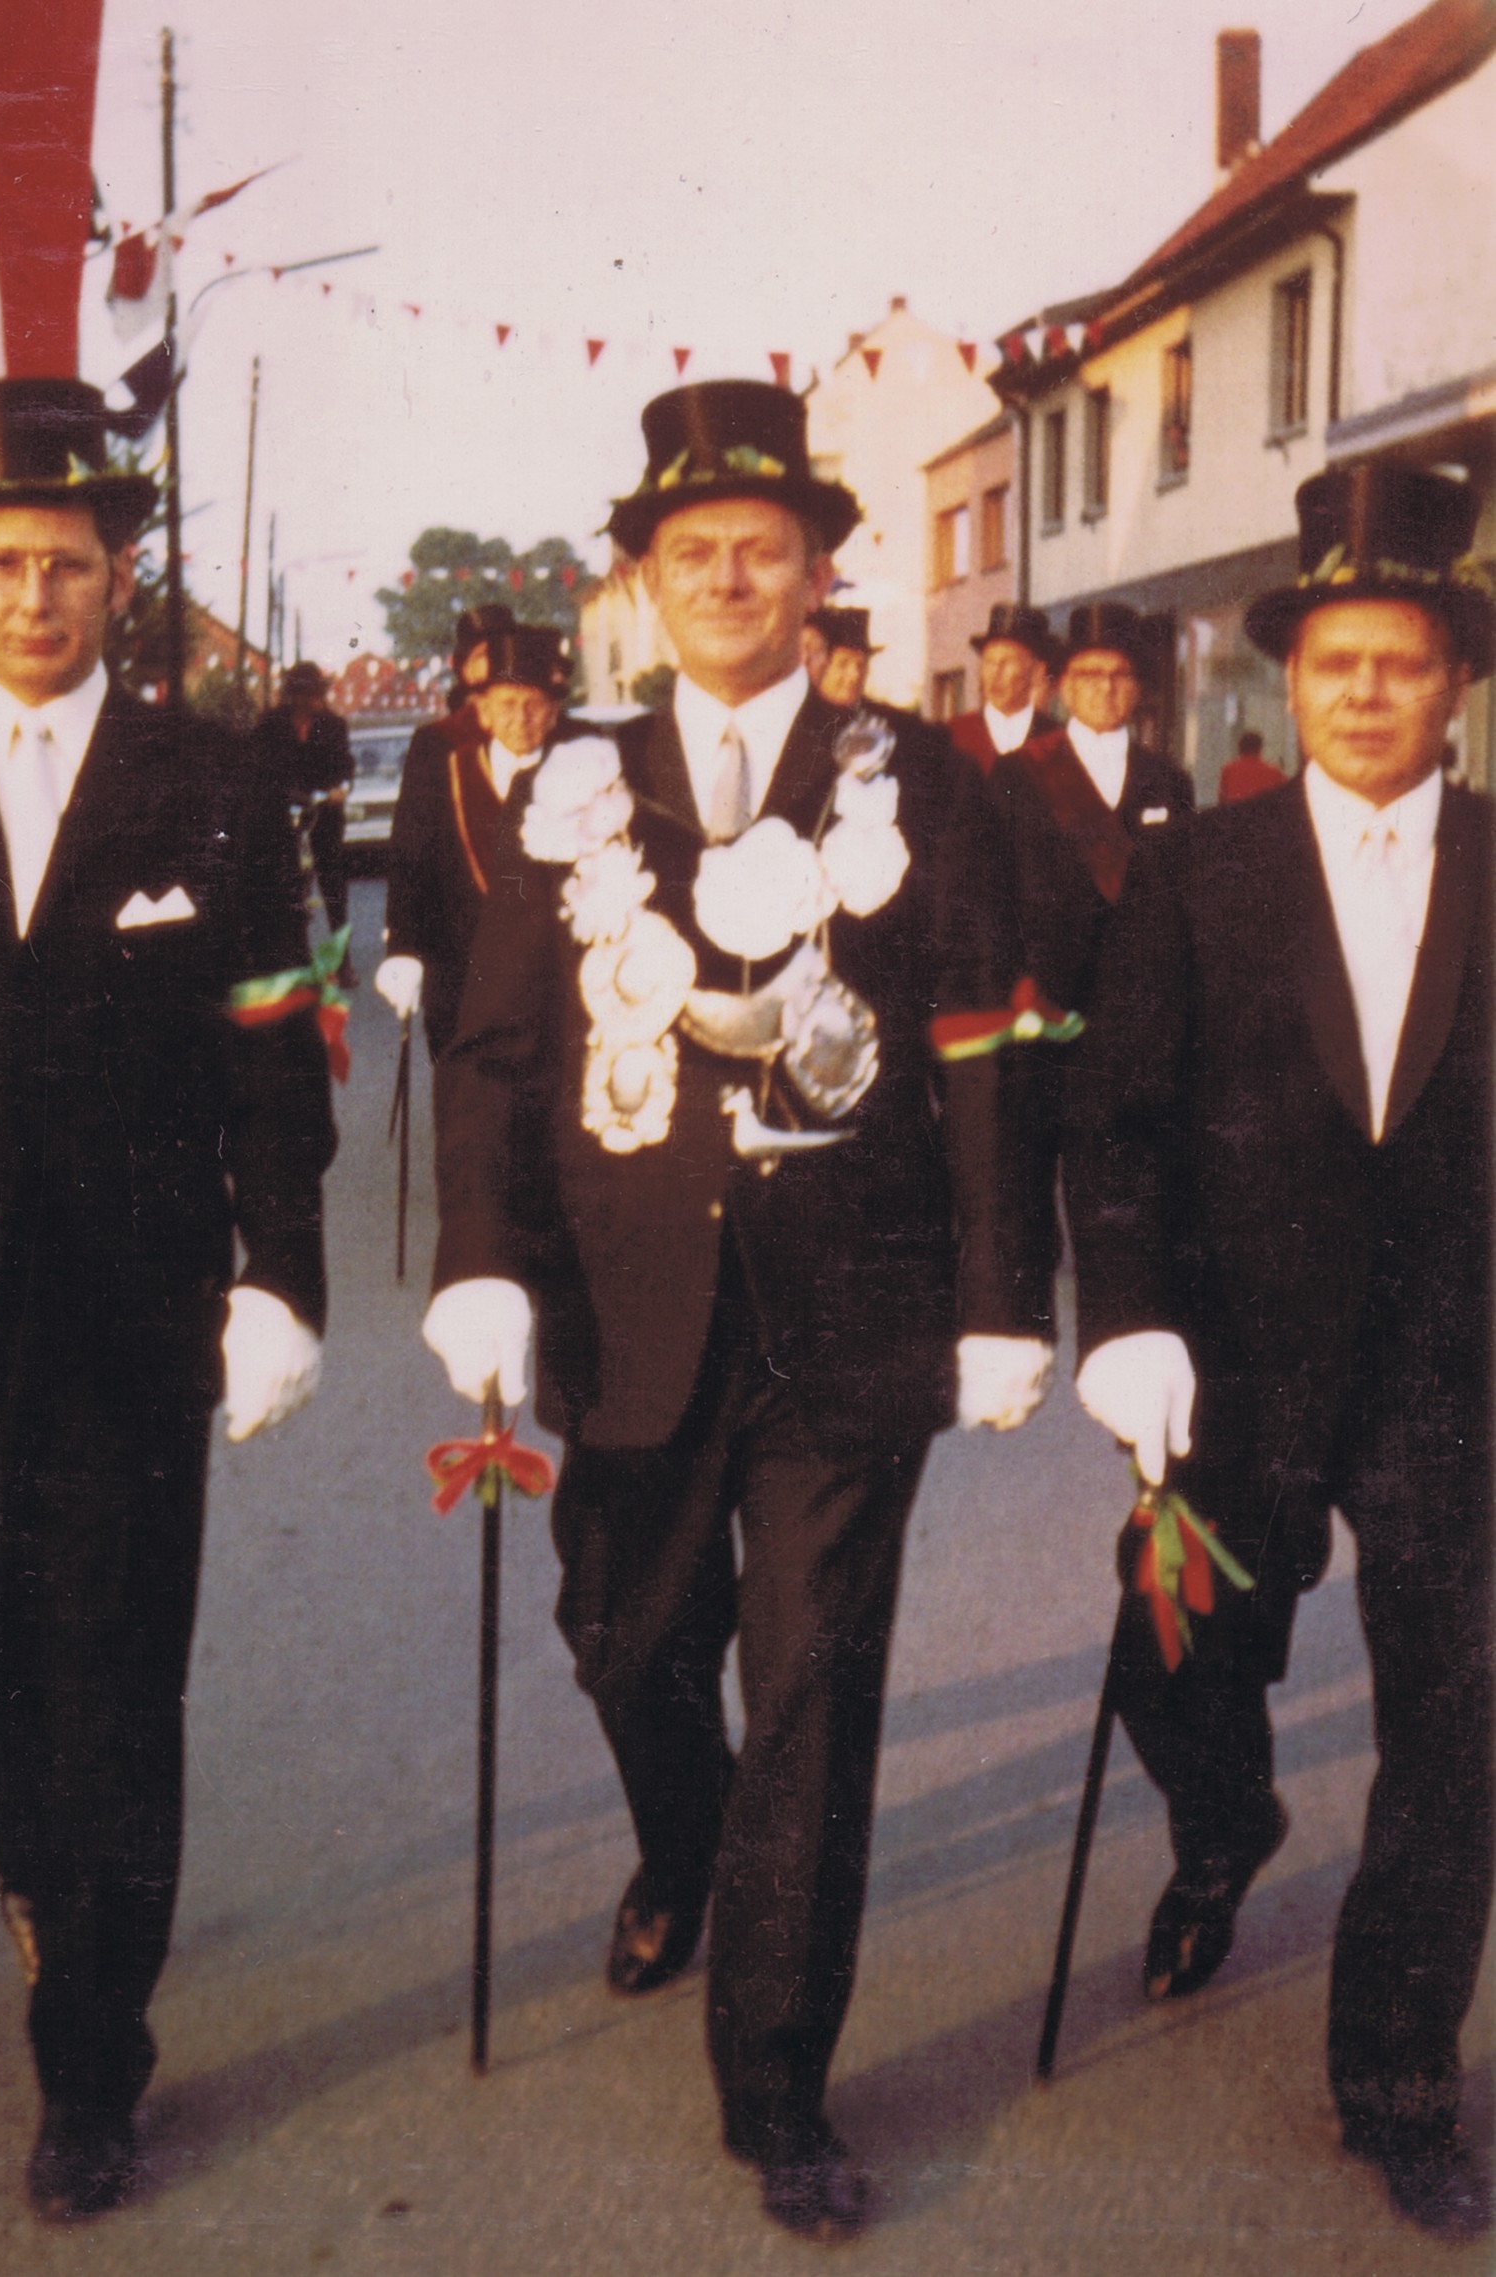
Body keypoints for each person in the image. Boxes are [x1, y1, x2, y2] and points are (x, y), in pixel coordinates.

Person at [420, 379, 1054, 2240]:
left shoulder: (916, 776)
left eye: (758, 550)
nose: (723, 578)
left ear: (815, 573)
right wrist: (479, 1260)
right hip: (627, 1312)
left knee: (813, 1696)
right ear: (645, 577)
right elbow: (495, 1050)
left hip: (849, 1317)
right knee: (623, 1642)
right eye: (689, 551)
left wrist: (1000, 1298)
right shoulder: (572, 781)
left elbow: (980, 1045)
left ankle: (777, 2081)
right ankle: (685, 1844)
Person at [0, 378, 336, 2221]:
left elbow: (276, 1057)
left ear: (119, 574)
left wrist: (282, 1278)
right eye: (1, 564)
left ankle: (91, 2067)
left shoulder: (212, 784)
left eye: (67, 564)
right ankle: (43, 1878)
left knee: (113, 1697)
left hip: (127, 1325)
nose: (35, 597)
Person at [1067, 463, 1493, 2239]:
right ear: (1291, 679)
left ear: (1455, 679)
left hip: (1456, 1373)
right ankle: (1225, 1824)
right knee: (1177, 1658)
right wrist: (1129, 1321)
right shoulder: (1198, 872)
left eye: (1401, 661)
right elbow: (1114, 1122)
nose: (1366, 691)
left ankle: (1395, 2077)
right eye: (1336, 663)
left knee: (1462, 1720)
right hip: (1237, 1358)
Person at [988, 600, 1193, 1318]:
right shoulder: (1018, 774)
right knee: (1022, 1219)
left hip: (1127, 1033)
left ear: (1138, 688)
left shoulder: (1168, 781)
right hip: (1038, 1024)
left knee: (1120, 1227)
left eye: (1119, 675)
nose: (1104, 689)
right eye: (1088, 674)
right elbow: (991, 903)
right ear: (1062, 685)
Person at [376, 620, 580, 1058]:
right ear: (483, 709)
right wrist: (404, 949)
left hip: (561, 995)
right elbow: (411, 859)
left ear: (553, 711)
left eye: (534, 704)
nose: (520, 718)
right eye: (507, 704)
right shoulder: (451, 764)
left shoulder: (584, 760)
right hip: (464, 984)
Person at [251, 659, 354, 980]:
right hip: (282, 812)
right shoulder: (270, 724)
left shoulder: (334, 725)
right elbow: (258, 765)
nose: (305, 701)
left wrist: (340, 789)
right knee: (286, 886)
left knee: (333, 885)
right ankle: (297, 959)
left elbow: (345, 768)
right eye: (299, 694)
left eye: (311, 695)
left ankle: (343, 961)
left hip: (324, 813)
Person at [945, 602, 1060, 776]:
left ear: (1036, 672)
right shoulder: (954, 734)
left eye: (1007, 662)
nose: (995, 673)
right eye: (989, 662)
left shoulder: (1057, 741)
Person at [802, 603, 879, 708]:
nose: (855, 675)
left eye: (861, 665)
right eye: (843, 664)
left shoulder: (879, 715)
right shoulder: (792, 712)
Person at [1218, 726, 1286, 803]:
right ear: (1260, 748)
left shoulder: (1228, 770)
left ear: (1240, 748)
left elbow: (1222, 801)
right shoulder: (1275, 773)